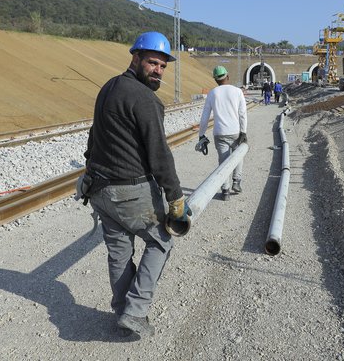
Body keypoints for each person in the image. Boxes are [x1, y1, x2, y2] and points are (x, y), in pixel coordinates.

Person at [82, 31, 187, 338]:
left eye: (163, 66)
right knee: (160, 242)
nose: (158, 70)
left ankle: (122, 311)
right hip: (130, 191)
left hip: (99, 189)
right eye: (153, 62)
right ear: (136, 58)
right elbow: (159, 154)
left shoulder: (109, 88)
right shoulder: (145, 99)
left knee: (118, 252)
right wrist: (175, 197)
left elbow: (94, 134)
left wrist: (90, 164)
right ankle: (136, 310)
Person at [198, 66, 248, 201]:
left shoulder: (212, 93)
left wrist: (201, 135)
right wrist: (244, 131)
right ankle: (236, 181)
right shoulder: (237, 92)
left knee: (223, 161)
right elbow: (242, 114)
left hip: (219, 133)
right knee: (238, 156)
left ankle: (225, 190)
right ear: (228, 76)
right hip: (236, 132)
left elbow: (204, 117)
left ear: (215, 80)